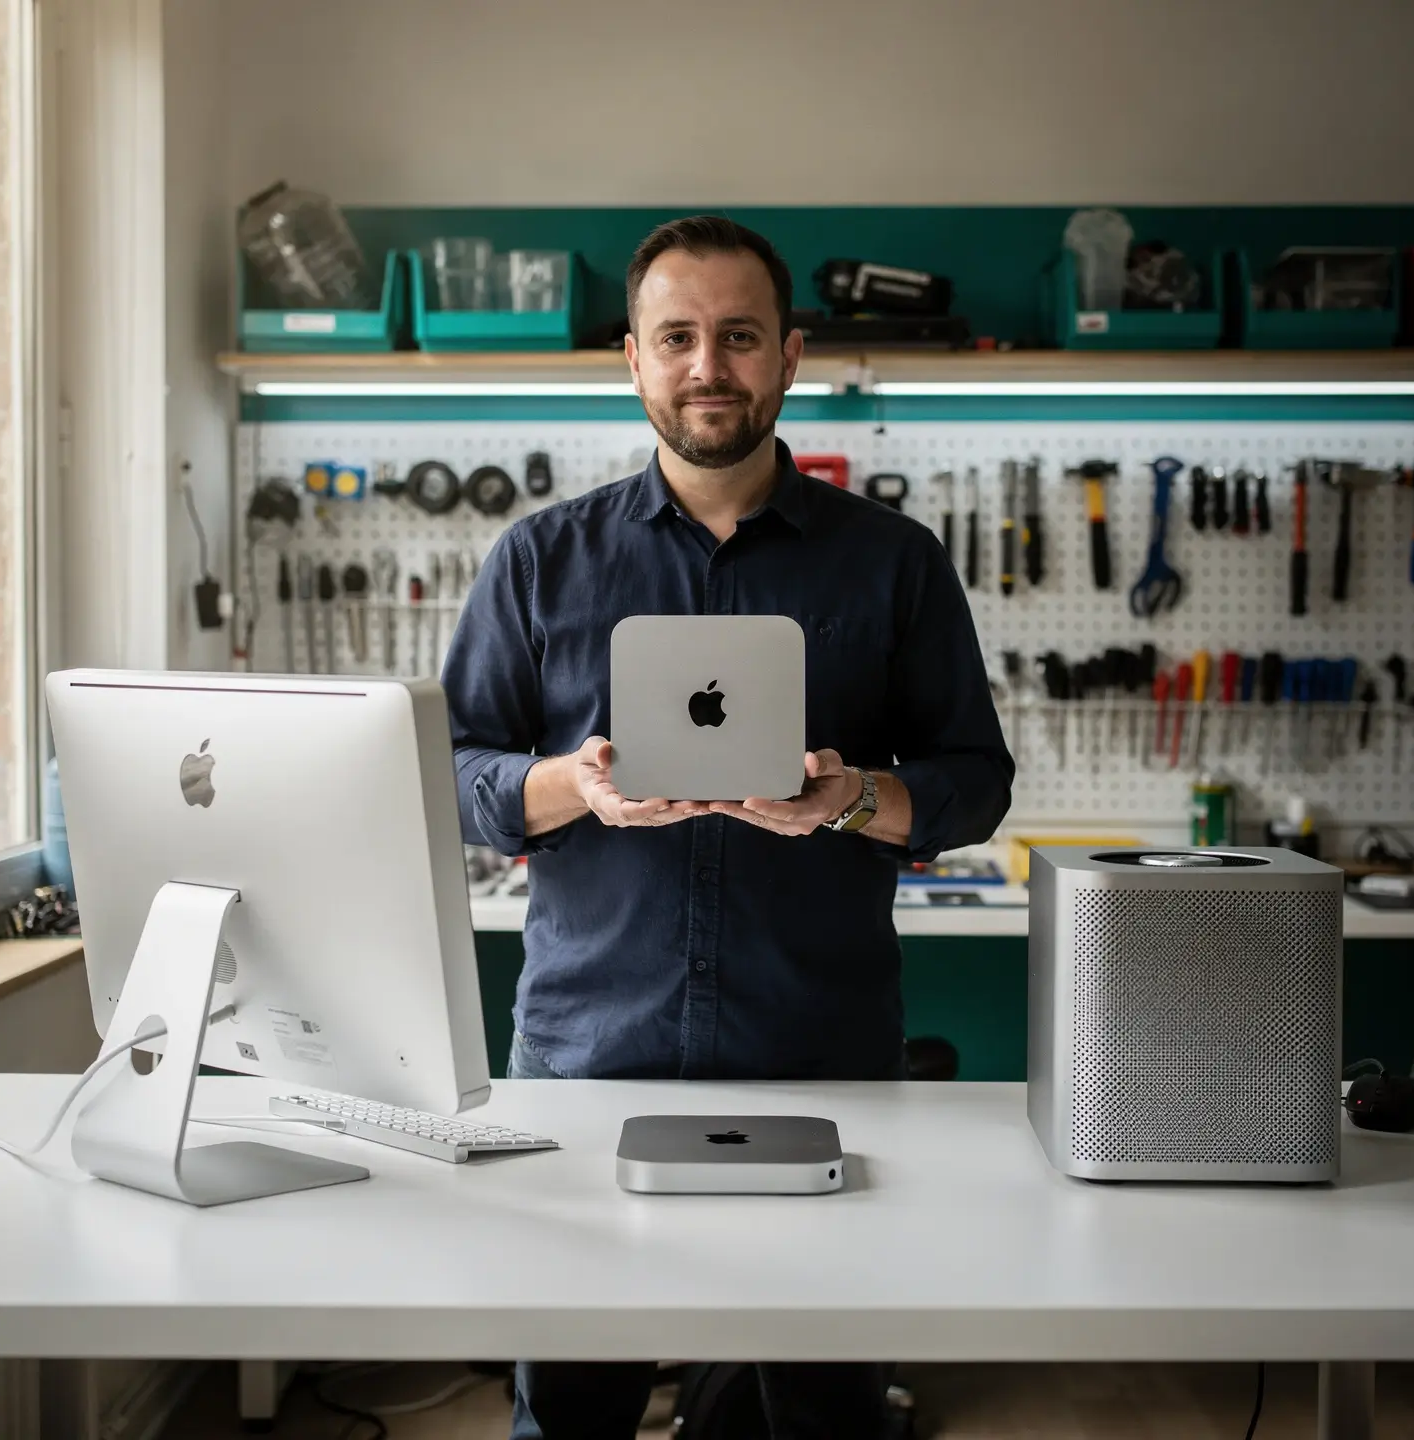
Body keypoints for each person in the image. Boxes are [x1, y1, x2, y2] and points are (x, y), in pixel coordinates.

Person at [442, 215, 1014, 1440]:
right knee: (571, 1415)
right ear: (634, 361)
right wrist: (571, 788)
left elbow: (976, 781)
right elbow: (449, 778)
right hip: (587, 1057)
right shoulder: (539, 562)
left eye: (741, 337)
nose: (711, 367)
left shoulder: (894, 565)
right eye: (680, 338)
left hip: (819, 1054)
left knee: (825, 1413)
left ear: (791, 355)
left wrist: (852, 798)